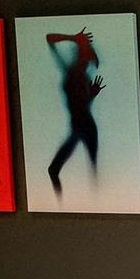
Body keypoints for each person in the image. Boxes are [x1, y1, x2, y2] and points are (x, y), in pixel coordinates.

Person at [45, 27, 106, 194]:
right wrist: (73, 37)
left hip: (84, 125)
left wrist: (91, 95)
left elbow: (80, 105)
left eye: (88, 57)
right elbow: (50, 38)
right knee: (55, 170)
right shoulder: (72, 71)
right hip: (80, 125)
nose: (87, 61)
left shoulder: (81, 76)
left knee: (93, 174)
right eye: (85, 55)